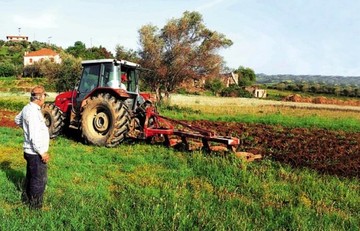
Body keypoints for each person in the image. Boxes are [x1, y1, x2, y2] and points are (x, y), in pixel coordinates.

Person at [15, 85, 50, 209]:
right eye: (44, 96)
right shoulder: (34, 113)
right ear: (39, 97)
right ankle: (35, 207)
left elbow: (17, 120)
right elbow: (34, 136)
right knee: (38, 180)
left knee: (31, 176)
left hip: (29, 151)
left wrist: (26, 129)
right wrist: (42, 152)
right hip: (35, 152)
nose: (44, 99)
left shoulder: (26, 108)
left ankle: (27, 198)